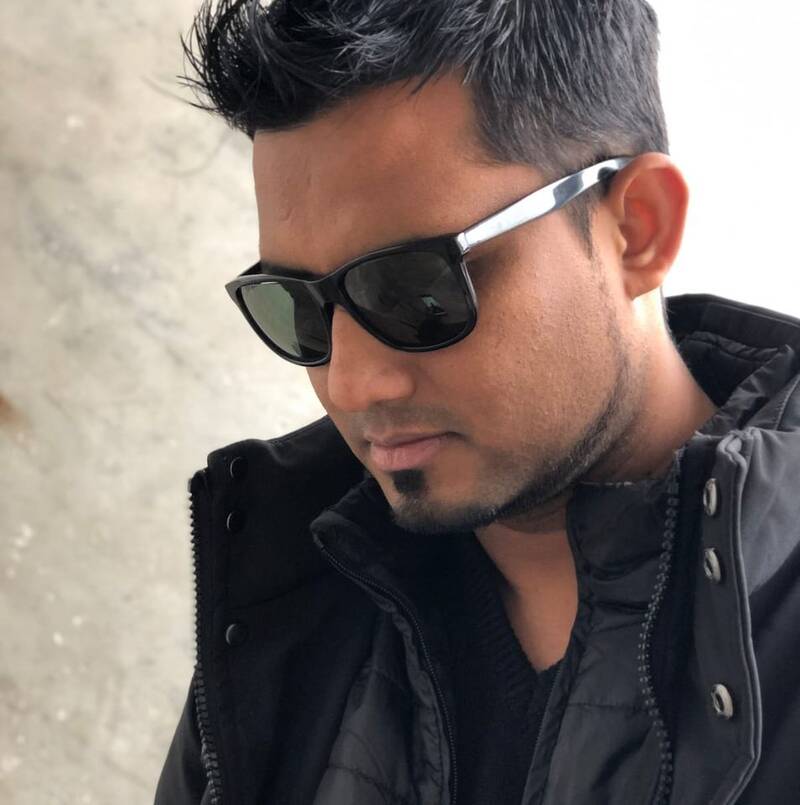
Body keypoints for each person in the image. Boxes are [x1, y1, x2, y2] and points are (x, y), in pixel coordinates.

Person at [155, 1, 800, 803]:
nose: (350, 384)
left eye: (415, 288)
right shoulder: (284, 595)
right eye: (296, 307)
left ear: (639, 228)